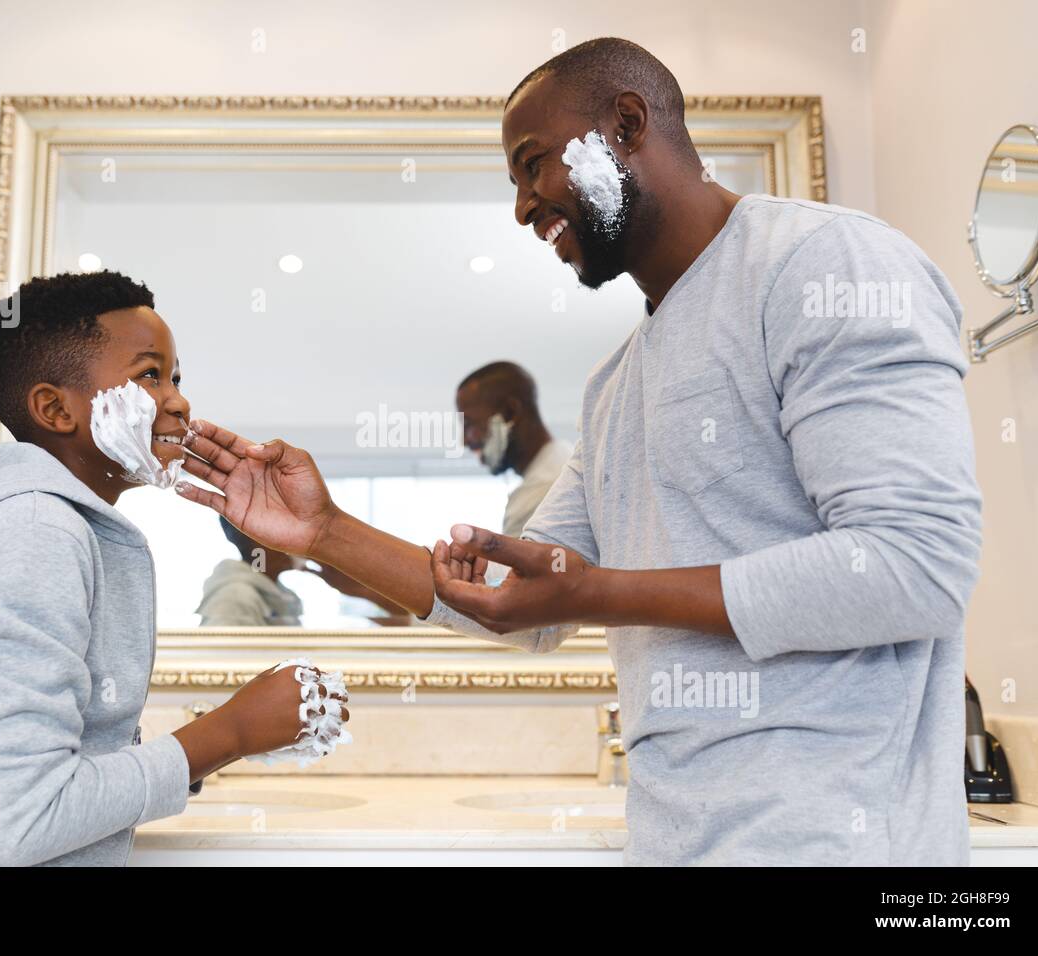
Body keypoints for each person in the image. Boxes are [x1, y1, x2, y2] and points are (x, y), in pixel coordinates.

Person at [175, 38, 982, 865]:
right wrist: (322, 530)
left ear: (626, 124)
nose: (524, 207)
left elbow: (914, 567)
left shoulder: (822, 266)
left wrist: (603, 592)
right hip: (676, 843)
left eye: (534, 166)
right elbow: (517, 599)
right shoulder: (616, 384)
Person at [0, 271, 347, 866]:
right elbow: (23, 818)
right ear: (54, 408)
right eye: (149, 375)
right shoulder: (32, 533)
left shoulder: (53, 526)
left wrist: (219, 744)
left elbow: (55, 773)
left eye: (175, 377)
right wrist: (232, 732)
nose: (178, 399)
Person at [456, 361, 572, 538]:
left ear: (510, 413)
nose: (465, 440)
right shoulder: (565, 456)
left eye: (470, 425)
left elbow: (508, 567)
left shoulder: (542, 493)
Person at [197, 516, 305, 626]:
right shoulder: (235, 598)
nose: (299, 541)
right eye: (285, 531)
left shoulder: (280, 595)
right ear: (256, 539)